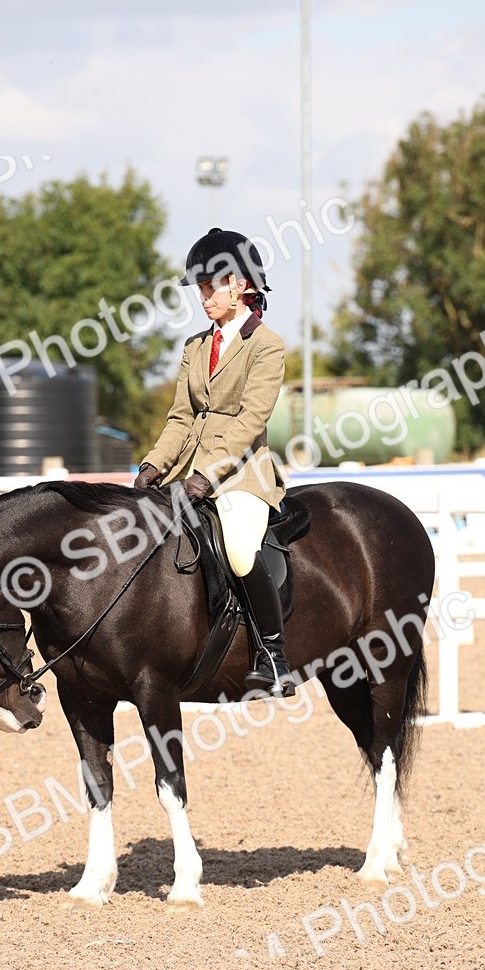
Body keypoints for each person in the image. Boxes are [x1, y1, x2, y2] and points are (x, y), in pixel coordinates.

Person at [134, 227, 295, 697]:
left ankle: (273, 653)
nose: (203, 298)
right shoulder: (193, 347)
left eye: (210, 287)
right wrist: (152, 466)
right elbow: (181, 418)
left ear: (241, 284)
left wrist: (208, 475)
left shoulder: (267, 345)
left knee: (242, 552)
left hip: (243, 473)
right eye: (200, 289)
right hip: (186, 471)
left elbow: (251, 420)